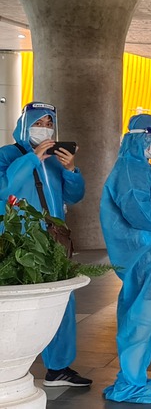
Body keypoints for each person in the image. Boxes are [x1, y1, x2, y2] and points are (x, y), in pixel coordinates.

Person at [0, 101, 90, 387]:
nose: (45, 129)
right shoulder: (6, 155)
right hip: (19, 242)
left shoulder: (54, 161)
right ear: (25, 124)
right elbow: (6, 190)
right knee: (17, 304)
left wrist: (71, 170)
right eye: (39, 123)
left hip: (53, 242)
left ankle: (58, 367)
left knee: (61, 299)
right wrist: (31, 159)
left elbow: (74, 197)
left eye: (50, 124)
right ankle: (9, 367)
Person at [99, 114, 151, 404]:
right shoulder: (131, 169)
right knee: (142, 318)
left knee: (144, 317)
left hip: (150, 256)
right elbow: (141, 214)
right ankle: (131, 383)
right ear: (137, 137)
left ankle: (134, 376)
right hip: (143, 255)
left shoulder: (141, 168)